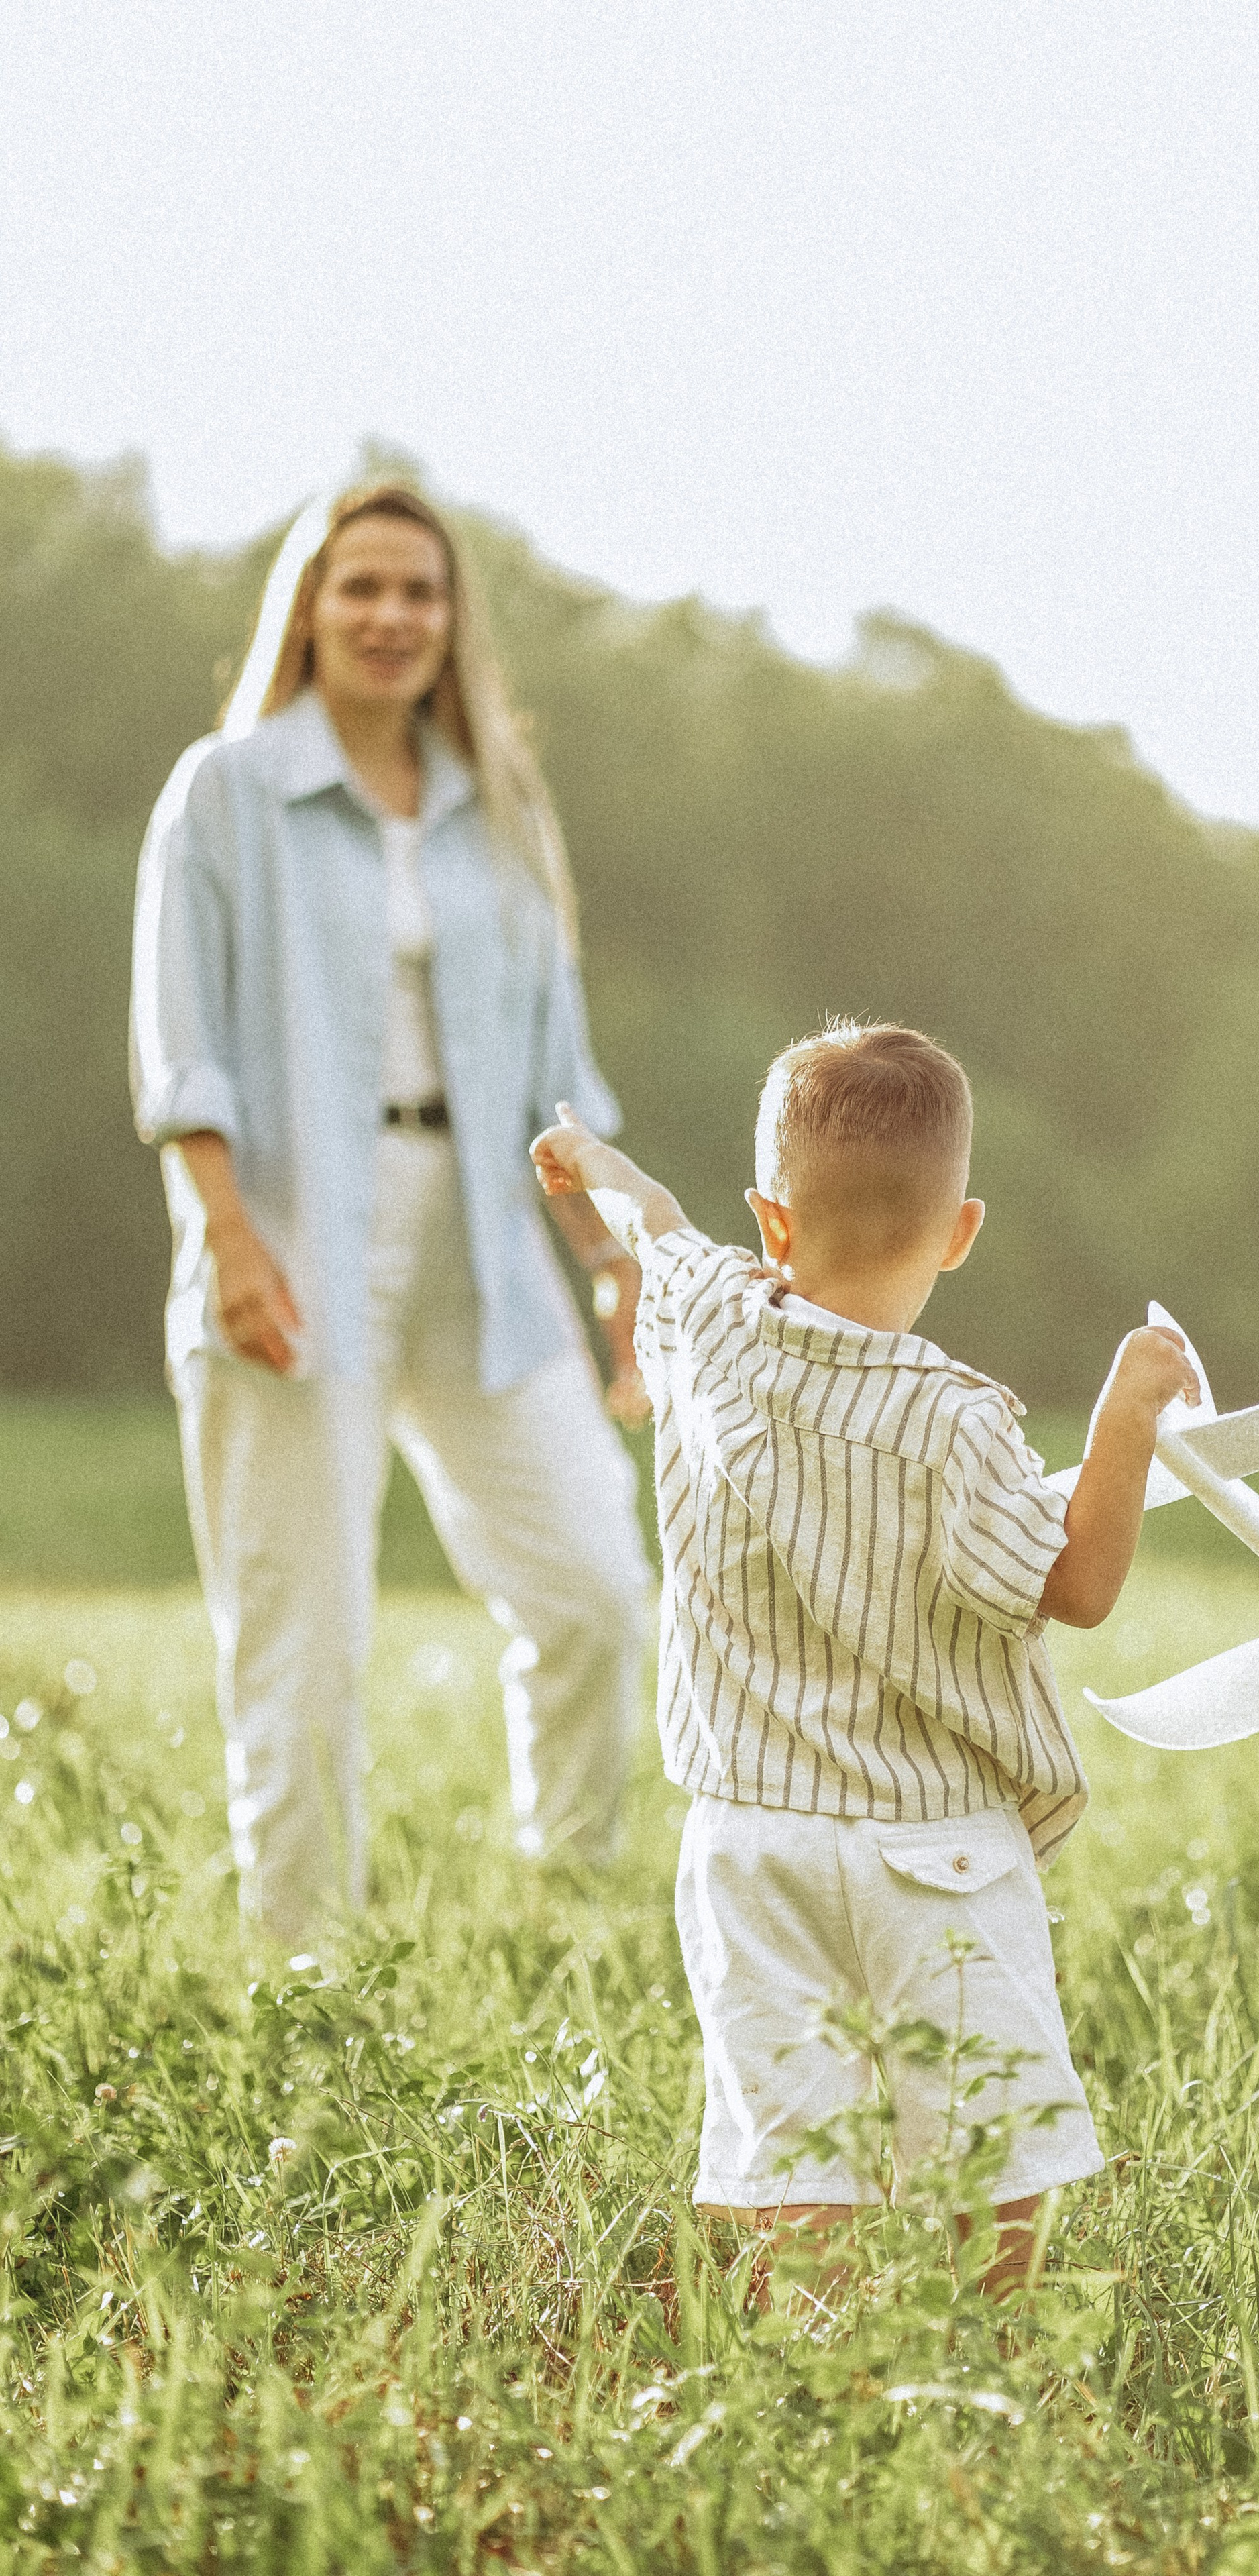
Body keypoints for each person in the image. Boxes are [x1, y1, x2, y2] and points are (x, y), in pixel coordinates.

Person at [531, 1020, 1199, 2299]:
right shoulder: (959, 1425)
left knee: (798, 2143)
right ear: (960, 1232)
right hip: (934, 1842)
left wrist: (590, 1158)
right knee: (987, 2131)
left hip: (749, 1838)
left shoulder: (711, 1324)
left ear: (770, 1223)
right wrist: (1126, 1421)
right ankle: (984, 2337)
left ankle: (829, 2367)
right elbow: (1079, 1584)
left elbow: (658, 1227)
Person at [130, 482, 653, 1947]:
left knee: (597, 1595)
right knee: (305, 1649)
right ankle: (311, 1985)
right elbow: (183, 1051)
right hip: (293, 1242)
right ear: (308, 606)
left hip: (487, 1249)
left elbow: (562, 1076)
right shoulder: (227, 790)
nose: (388, 617)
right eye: (357, 587)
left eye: (417, 592)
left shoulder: (503, 811)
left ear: (452, 619)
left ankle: (567, 1908)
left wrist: (613, 1267)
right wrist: (226, 1239)